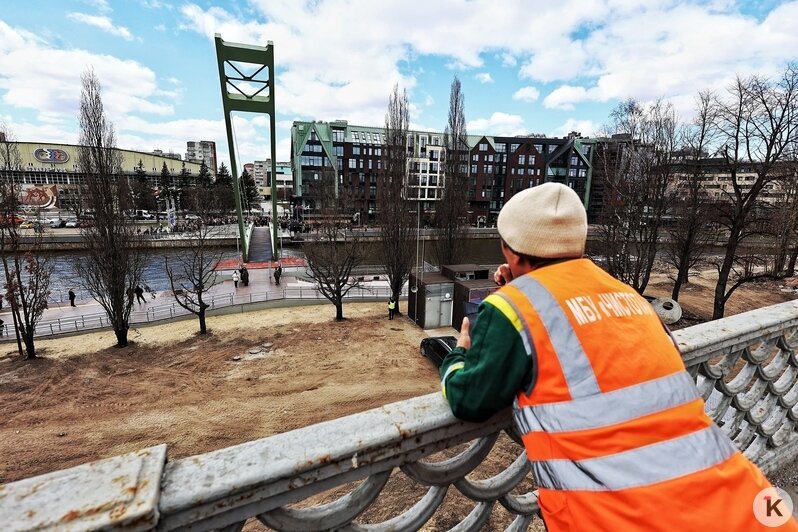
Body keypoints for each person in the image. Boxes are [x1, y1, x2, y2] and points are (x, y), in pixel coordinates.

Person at [439, 183, 795, 531]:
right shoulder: (628, 295)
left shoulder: (512, 308)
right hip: (742, 502)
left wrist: (458, 354)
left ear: (511, 253)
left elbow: (469, 398)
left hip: (623, 515)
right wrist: (519, 286)